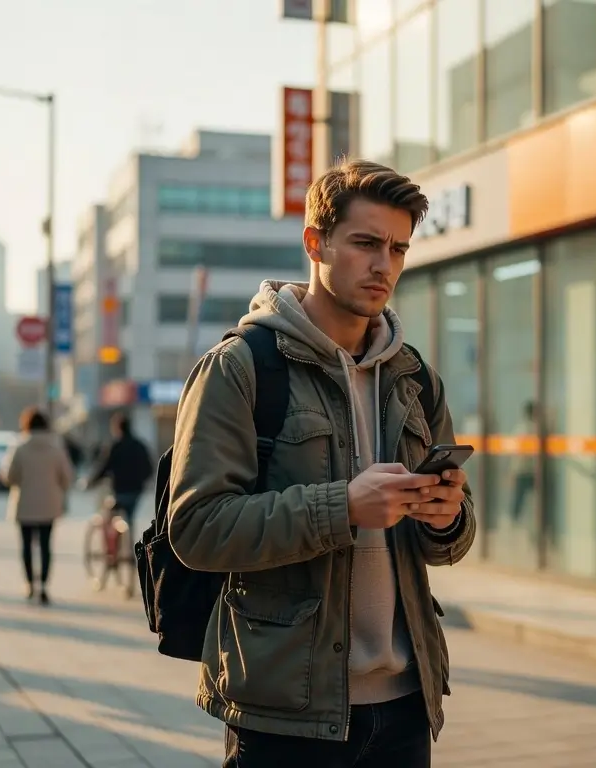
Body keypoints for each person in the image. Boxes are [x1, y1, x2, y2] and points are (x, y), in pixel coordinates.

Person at [166, 159, 474, 767]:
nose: (383, 264)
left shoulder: (415, 379)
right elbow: (197, 527)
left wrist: (446, 518)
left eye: (398, 248)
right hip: (287, 712)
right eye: (365, 243)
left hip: (407, 703)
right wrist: (344, 506)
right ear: (316, 241)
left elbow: (451, 541)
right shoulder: (241, 367)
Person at [0, 407, 73, 605]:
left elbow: (8, 476)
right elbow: (67, 477)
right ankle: (44, 586)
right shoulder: (56, 447)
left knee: (26, 546)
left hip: (24, 504)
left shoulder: (19, 446)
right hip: (49, 504)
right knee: (45, 545)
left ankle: (30, 584)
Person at [86, 412, 154, 525]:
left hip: (120, 490)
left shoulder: (114, 446)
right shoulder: (139, 445)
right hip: (136, 490)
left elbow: (104, 467)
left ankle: (116, 540)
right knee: (129, 516)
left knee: (111, 514)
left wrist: (92, 482)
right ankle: (128, 537)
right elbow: (149, 467)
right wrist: (143, 481)